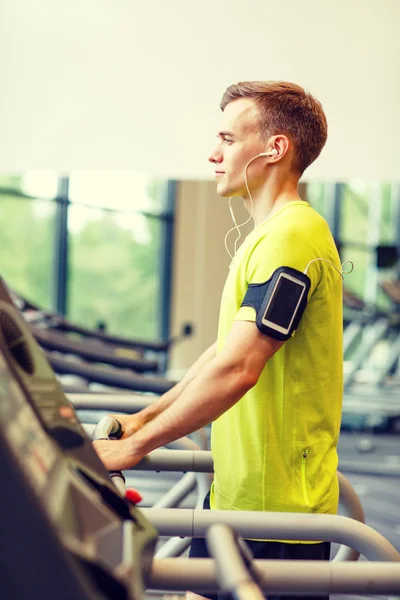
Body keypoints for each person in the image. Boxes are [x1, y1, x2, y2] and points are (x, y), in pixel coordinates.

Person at [93, 81, 343, 600]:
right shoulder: (269, 235)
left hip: (275, 516)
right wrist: (145, 419)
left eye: (228, 139)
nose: (213, 154)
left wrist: (139, 446)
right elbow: (222, 352)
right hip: (236, 495)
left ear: (274, 149)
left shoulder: (294, 238)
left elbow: (239, 370)